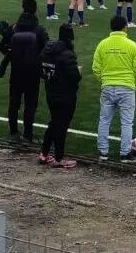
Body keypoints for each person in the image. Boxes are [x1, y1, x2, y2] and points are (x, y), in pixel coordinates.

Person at [93, 15, 136, 163]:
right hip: (126, 88)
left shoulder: (102, 45)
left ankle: (103, 152)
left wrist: (104, 81)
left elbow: (96, 68)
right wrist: (132, 82)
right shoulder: (131, 45)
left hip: (107, 87)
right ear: (125, 27)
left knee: (104, 120)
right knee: (127, 122)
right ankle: (125, 154)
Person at [39, 23, 82, 168]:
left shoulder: (47, 51)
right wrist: (78, 71)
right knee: (61, 126)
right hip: (65, 96)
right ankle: (58, 158)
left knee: (53, 123)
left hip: (51, 93)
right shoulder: (67, 54)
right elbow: (75, 76)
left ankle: (44, 154)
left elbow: (42, 71)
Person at [7, 0, 49, 142]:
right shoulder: (39, 29)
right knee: (30, 104)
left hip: (16, 70)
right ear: (35, 10)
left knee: (14, 102)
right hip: (33, 71)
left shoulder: (14, 28)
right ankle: (28, 134)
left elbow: (4, 46)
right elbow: (47, 49)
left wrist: (12, 57)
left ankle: (13, 132)